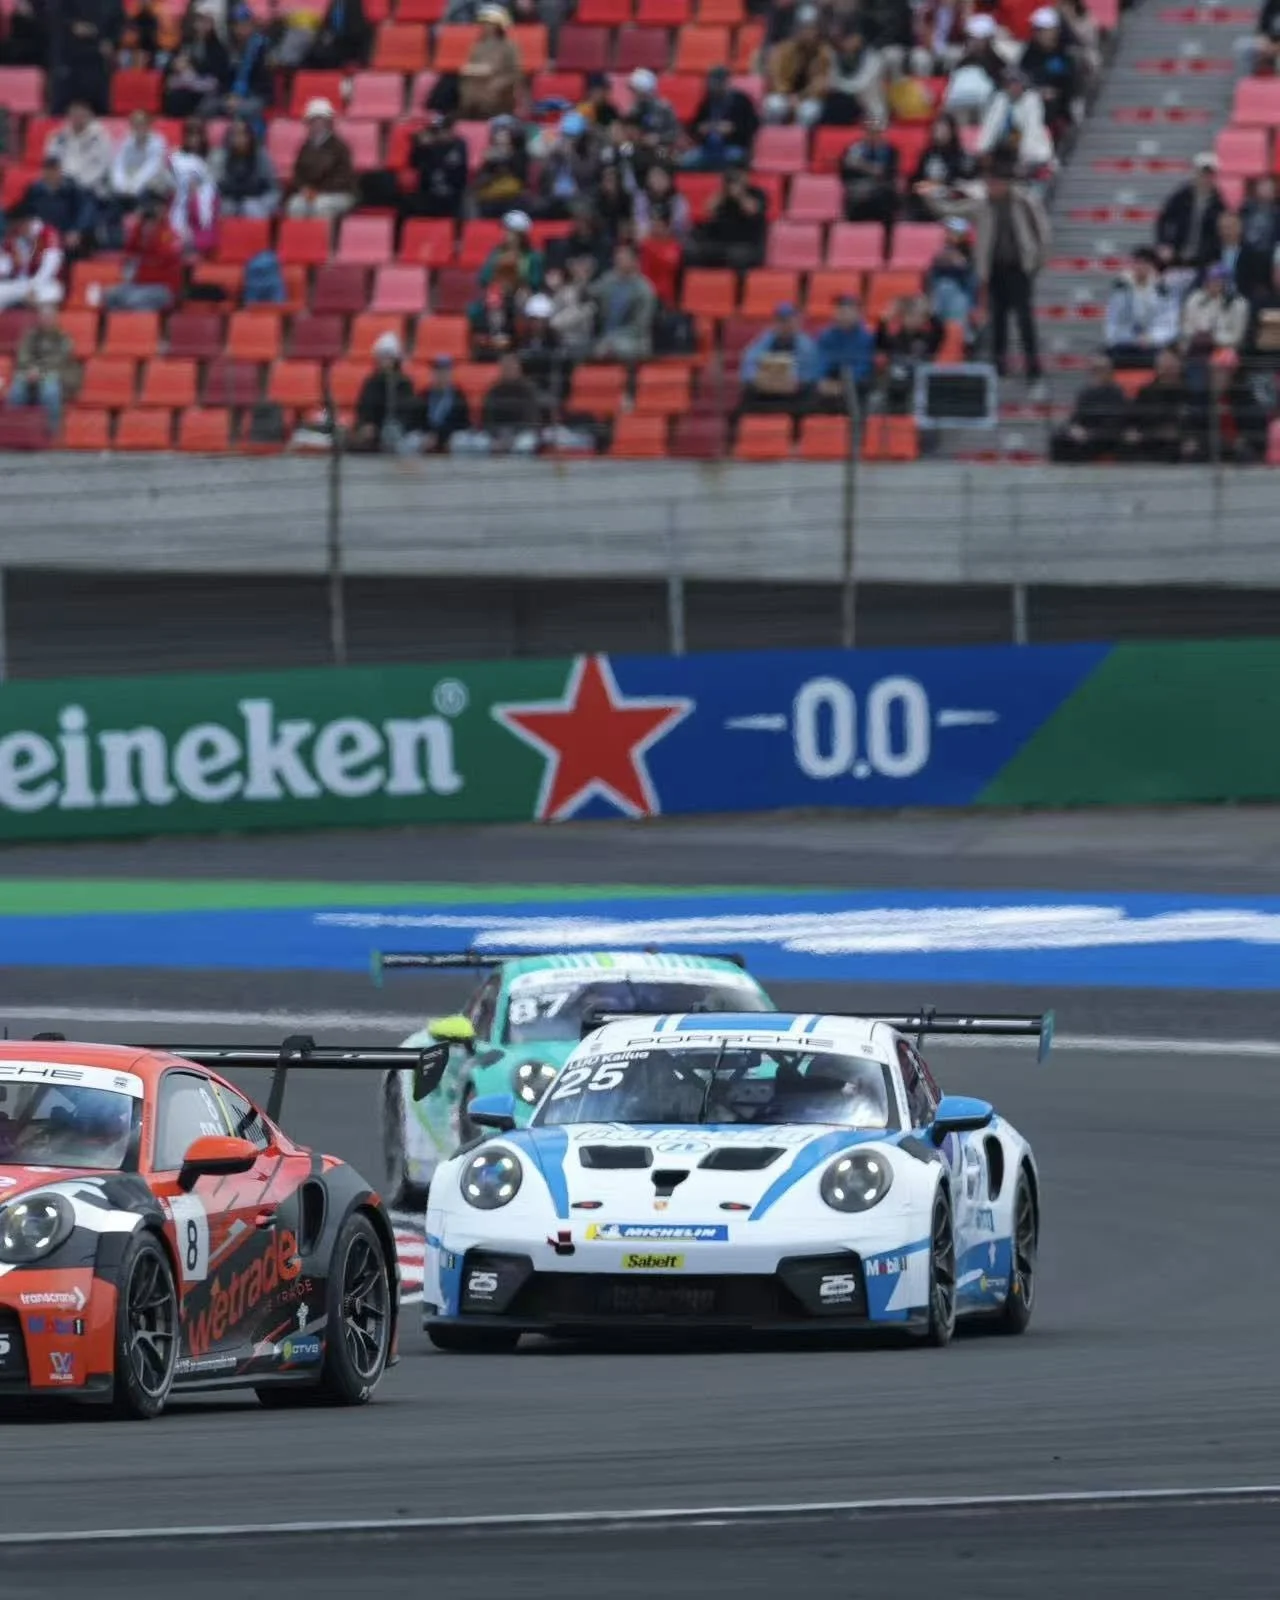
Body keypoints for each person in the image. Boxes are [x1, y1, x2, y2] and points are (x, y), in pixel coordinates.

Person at [922, 158, 1050, 394]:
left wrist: (1037, 260)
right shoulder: (981, 205)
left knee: (1024, 319)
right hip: (994, 269)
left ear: (1006, 183)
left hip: (1019, 267)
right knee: (998, 318)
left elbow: (1041, 230)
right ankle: (1000, 366)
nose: (992, 187)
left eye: (995, 183)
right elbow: (950, 211)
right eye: (989, 183)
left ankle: (1033, 367)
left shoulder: (1024, 201)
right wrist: (931, 197)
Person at [6, 283, 80, 435]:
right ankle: (16, 431)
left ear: (54, 319)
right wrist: (31, 369)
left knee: (49, 390)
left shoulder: (63, 338)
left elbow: (60, 361)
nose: (45, 320)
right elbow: (23, 356)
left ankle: (51, 432)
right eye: (43, 317)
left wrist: (40, 371)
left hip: (58, 375)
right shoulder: (30, 336)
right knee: (16, 389)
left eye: (49, 317)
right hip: (31, 373)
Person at [102, 187, 185, 309]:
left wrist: (152, 234)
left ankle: (144, 327)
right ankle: (119, 327)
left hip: (163, 287)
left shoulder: (169, 232)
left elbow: (165, 254)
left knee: (133, 301)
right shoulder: (141, 229)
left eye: (155, 206)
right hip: (140, 285)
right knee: (110, 296)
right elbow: (129, 250)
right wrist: (140, 228)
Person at [1184, 347, 1269, 462]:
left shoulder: (1244, 397)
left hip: (1236, 448)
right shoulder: (1202, 396)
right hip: (1208, 446)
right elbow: (1193, 423)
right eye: (1213, 372)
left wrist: (1241, 439)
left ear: (1232, 375)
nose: (1216, 376)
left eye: (1221, 372)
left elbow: (1256, 427)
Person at [1103, 246, 1179, 368]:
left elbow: (1169, 325)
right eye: (1137, 263)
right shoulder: (1121, 287)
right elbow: (1113, 323)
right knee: (1104, 359)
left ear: (1152, 266)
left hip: (1153, 344)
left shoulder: (1163, 290)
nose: (1140, 267)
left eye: (1145, 263)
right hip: (1124, 343)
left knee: (1166, 359)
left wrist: (1151, 337)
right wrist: (1132, 339)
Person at [683, 164, 769, 270]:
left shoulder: (757, 193)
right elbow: (708, 209)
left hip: (746, 244)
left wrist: (740, 194)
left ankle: (735, 285)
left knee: (736, 256)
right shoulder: (722, 194)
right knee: (692, 251)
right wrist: (723, 192)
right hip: (721, 242)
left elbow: (751, 210)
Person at [740, 302, 820, 413]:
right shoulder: (765, 339)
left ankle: (797, 426)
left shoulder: (806, 344)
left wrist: (792, 382)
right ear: (775, 323)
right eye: (782, 321)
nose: (786, 325)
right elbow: (749, 363)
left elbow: (808, 374)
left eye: (790, 321)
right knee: (749, 391)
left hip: (794, 390)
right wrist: (759, 380)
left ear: (798, 322)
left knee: (811, 391)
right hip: (768, 387)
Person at [765, 4, 835, 127]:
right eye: (804, 28)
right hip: (785, 94)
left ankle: (800, 143)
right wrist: (788, 96)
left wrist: (801, 97)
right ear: (797, 30)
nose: (807, 32)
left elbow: (821, 82)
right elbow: (776, 77)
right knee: (773, 105)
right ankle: (772, 140)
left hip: (809, 97)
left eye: (811, 29)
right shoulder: (783, 50)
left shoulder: (824, 52)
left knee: (808, 112)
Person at [1049, 354, 1129, 461]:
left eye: (1101, 370)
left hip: (1105, 436)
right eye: (1094, 370)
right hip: (1084, 432)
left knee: (1083, 446)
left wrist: (1089, 433)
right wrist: (1074, 428)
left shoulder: (1117, 393)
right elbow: (1075, 417)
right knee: (1058, 438)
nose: (1098, 373)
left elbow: (1116, 422)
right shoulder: (1086, 393)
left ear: (1110, 372)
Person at [351, 332, 423, 452]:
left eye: (388, 357)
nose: (384, 361)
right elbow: (363, 409)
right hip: (375, 433)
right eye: (382, 357)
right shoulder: (371, 382)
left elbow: (408, 411)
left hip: (398, 432)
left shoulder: (404, 383)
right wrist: (366, 424)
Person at [287, 98, 357, 220]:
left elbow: (343, 179)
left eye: (320, 120)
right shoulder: (305, 147)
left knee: (320, 206)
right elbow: (298, 173)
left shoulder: (340, 148)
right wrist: (304, 188)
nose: (316, 124)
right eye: (313, 120)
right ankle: (298, 238)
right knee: (295, 205)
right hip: (311, 194)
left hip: (338, 194)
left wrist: (318, 191)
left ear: (328, 122)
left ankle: (323, 239)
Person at [1122, 348, 1194, 463]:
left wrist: (1190, 438)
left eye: (1171, 367)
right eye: (1164, 367)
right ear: (1158, 369)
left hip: (1178, 442)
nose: (1168, 371)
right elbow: (1132, 417)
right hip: (1149, 440)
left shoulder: (1189, 392)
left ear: (1179, 367)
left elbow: (1196, 421)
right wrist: (1131, 430)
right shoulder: (1146, 392)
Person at [977, 68, 1054, 174]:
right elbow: (991, 125)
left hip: (1029, 153)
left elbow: (1032, 128)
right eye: (1009, 84)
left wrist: (1026, 156)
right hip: (1003, 149)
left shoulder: (1032, 100)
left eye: (1016, 83)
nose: (1013, 87)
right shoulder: (1000, 99)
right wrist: (983, 149)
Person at [1155, 154, 1224, 272]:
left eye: (1210, 174)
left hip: (1203, 263)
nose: (1206, 178)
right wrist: (1164, 244)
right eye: (1203, 173)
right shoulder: (1181, 196)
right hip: (1177, 258)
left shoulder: (1219, 203)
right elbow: (1163, 219)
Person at [684, 65, 761, 169]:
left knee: (734, 158)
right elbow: (693, 127)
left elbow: (753, 126)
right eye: (711, 83)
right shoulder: (707, 102)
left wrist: (733, 129)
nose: (714, 87)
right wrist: (701, 128)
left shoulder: (741, 101)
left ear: (726, 83)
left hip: (733, 146)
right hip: (707, 149)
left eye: (718, 83)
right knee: (686, 160)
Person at [876, 293, 944, 410]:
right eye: (910, 315)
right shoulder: (894, 339)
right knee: (876, 401)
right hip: (894, 386)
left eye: (918, 316)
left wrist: (929, 312)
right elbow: (880, 342)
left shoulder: (927, 339)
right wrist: (884, 320)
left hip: (919, 386)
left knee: (916, 401)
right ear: (902, 318)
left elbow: (940, 330)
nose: (914, 319)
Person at [590, 243, 657, 361]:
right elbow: (590, 295)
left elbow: (640, 326)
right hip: (604, 337)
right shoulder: (608, 280)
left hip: (634, 340)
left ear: (635, 261)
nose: (618, 261)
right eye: (617, 258)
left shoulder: (644, 289)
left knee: (609, 349)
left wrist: (612, 340)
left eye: (623, 258)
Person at [1018, 7, 1079, 137]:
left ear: (1055, 31)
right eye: (1037, 30)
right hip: (1034, 97)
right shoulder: (1029, 53)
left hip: (1060, 101)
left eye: (1043, 30)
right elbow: (1023, 76)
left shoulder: (1065, 53)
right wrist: (1038, 90)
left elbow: (1071, 82)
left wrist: (1055, 91)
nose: (1039, 34)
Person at [162, 4, 230, 117]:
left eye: (206, 22)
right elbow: (169, 65)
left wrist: (192, 66)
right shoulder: (186, 42)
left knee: (207, 107)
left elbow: (218, 73)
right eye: (199, 21)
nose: (202, 25)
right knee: (173, 99)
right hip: (185, 88)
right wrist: (175, 65)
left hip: (206, 91)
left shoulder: (218, 48)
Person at [21, 156, 98, 257]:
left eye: (54, 170)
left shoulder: (72, 190)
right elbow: (27, 214)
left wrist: (77, 230)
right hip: (42, 237)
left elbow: (85, 212)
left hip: (66, 235)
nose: (51, 174)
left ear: (60, 171)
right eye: (48, 170)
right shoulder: (35, 191)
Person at [839, 114, 899, 236]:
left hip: (881, 191)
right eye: (870, 132)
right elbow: (846, 174)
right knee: (855, 195)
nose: (873, 136)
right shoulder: (853, 150)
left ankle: (887, 241)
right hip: (858, 189)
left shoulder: (890, 151)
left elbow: (886, 173)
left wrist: (862, 165)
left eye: (877, 132)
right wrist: (870, 169)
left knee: (885, 196)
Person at [535, 111, 602, 220]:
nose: (568, 140)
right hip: (556, 198)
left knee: (581, 210)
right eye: (566, 135)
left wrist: (570, 155)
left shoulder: (591, 151)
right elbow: (544, 179)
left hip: (580, 198)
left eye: (572, 136)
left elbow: (586, 175)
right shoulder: (557, 152)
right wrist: (551, 157)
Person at [458, 5, 522, 120]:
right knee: (467, 88)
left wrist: (500, 82)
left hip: (499, 88)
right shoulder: (477, 46)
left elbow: (515, 73)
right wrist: (470, 70)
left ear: (499, 26)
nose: (485, 27)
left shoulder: (509, 46)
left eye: (489, 24)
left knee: (491, 92)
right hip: (477, 83)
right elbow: (470, 66)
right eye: (483, 24)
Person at [814, 293, 876, 408]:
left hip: (856, 384)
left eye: (848, 310)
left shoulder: (866, 337)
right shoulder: (826, 335)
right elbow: (821, 361)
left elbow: (863, 367)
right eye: (840, 310)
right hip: (832, 381)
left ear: (858, 314)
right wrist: (822, 381)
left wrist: (843, 385)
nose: (843, 314)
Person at [818, 23, 886, 126]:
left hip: (870, 107)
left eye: (848, 39)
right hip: (846, 104)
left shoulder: (873, 57)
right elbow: (831, 79)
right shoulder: (835, 55)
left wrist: (836, 84)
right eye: (842, 39)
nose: (845, 43)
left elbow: (860, 85)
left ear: (858, 38)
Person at [45, 100, 114, 203]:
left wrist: (76, 183)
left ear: (89, 116)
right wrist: (61, 180)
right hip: (63, 185)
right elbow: (51, 162)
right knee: (38, 189)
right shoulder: (59, 137)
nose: (77, 119)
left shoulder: (100, 137)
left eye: (81, 115)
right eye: (73, 115)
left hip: (90, 188)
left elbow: (101, 168)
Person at [210, 118, 280, 217]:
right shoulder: (221, 156)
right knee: (225, 208)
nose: (239, 139)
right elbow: (216, 186)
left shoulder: (261, 155)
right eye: (235, 135)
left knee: (250, 207)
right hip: (230, 198)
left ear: (250, 137)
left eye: (243, 135)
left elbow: (272, 187)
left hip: (257, 197)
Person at [406, 114, 470, 220]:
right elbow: (413, 164)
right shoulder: (426, 147)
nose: (442, 134)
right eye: (437, 131)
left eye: (445, 130)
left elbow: (457, 172)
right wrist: (418, 147)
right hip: (428, 193)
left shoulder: (459, 145)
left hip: (452, 193)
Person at [110, 110, 169, 220]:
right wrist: (121, 186)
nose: (139, 128)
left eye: (142, 124)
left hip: (152, 186)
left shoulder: (158, 142)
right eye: (135, 124)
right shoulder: (126, 140)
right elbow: (118, 165)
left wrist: (133, 187)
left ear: (149, 125)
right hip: (128, 186)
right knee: (112, 202)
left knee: (145, 196)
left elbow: (151, 169)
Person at [0, 214, 65, 311]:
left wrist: (34, 287)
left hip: (45, 283)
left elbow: (49, 267)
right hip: (21, 283)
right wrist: (11, 262)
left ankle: (44, 325)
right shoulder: (14, 236)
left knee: (52, 292)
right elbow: (4, 267)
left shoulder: (48, 234)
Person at [1181, 266, 1248, 358]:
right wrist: (1197, 335)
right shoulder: (1195, 298)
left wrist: (1213, 338)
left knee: (1223, 358)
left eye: (1218, 281)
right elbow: (1185, 326)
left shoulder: (1238, 303)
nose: (1213, 284)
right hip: (1196, 345)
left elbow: (1237, 337)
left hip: (1224, 348)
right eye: (1210, 280)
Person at [479, 350, 543, 448]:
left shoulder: (528, 389)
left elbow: (532, 419)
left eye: (511, 366)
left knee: (525, 442)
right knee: (480, 442)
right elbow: (487, 419)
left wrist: (512, 437)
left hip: (521, 432)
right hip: (498, 433)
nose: (508, 369)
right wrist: (496, 436)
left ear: (519, 368)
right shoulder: (494, 390)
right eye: (505, 367)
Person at [926, 216, 980, 325]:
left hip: (962, 296)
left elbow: (970, 279)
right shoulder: (941, 253)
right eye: (949, 231)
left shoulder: (971, 255)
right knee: (944, 286)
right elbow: (931, 276)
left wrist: (959, 262)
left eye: (955, 232)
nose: (950, 235)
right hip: (941, 297)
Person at [167, 149, 220, 256]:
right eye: (184, 176)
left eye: (192, 176)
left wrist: (194, 198)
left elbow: (204, 225)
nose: (188, 181)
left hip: (201, 244)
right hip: (179, 245)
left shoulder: (209, 197)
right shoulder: (176, 195)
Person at [418, 355, 471, 453]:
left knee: (460, 442)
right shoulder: (424, 395)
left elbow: (464, 423)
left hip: (452, 436)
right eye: (439, 371)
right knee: (412, 441)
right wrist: (428, 434)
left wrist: (445, 437)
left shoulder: (459, 395)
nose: (442, 375)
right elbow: (417, 420)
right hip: (428, 434)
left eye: (445, 372)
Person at [627, 68, 681, 149]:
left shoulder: (664, 107)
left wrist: (658, 138)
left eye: (635, 91)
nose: (633, 95)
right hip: (638, 148)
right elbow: (630, 129)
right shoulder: (634, 109)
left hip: (660, 150)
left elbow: (675, 133)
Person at [306, 0, 370, 69]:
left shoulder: (356, 3)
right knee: (311, 55)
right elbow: (326, 24)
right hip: (335, 42)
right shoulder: (334, 3)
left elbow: (361, 30)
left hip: (350, 45)